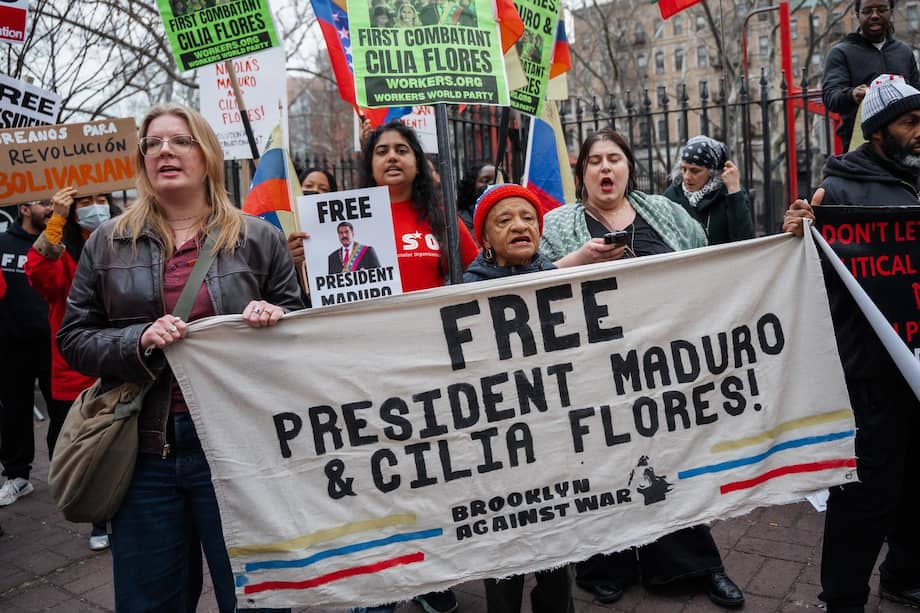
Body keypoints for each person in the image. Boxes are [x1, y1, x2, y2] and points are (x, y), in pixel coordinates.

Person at [57, 103, 303, 613]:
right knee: (151, 602)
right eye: (152, 143)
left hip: (239, 451)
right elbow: (75, 338)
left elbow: (298, 334)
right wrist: (137, 340)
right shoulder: (107, 242)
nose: (164, 150)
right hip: (144, 453)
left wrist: (270, 319)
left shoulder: (259, 239)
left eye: (179, 140)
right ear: (143, 160)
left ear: (207, 154)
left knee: (257, 599)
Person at [540, 129, 745, 609]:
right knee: (604, 466)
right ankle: (605, 566)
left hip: (662, 369)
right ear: (582, 173)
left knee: (673, 462)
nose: (605, 168)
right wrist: (579, 260)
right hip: (593, 373)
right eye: (595, 161)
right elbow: (530, 287)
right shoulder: (557, 225)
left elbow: (715, 260)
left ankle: (692, 565)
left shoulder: (668, 212)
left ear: (630, 168)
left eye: (615, 158)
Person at [783, 74, 920, 612]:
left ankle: (904, 573)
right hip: (870, 375)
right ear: (879, 130)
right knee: (865, 498)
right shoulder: (837, 191)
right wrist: (796, 230)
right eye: (911, 123)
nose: (919, 133)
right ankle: (843, 597)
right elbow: (805, 271)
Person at [350, 121, 479, 613]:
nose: (391, 158)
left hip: (430, 368)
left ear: (418, 162)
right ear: (369, 163)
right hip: (368, 371)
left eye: (402, 149)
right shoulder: (347, 219)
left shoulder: (441, 216)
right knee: (378, 479)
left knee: (430, 479)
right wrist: (303, 259)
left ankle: (431, 576)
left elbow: (473, 278)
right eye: (381, 151)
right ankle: (381, 584)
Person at [464, 183, 571, 613]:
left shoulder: (563, 282)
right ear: (485, 239)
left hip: (554, 441)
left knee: (558, 553)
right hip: (499, 446)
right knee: (504, 554)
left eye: (528, 218)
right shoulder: (466, 291)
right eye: (503, 220)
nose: (519, 226)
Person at [24, 187, 121, 550]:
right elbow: (44, 281)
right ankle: (98, 516)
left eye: (99, 200)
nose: (94, 208)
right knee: (86, 443)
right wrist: (56, 222)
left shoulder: (124, 235)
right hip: (77, 364)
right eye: (84, 202)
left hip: (123, 354)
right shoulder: (61, 245)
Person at [0, 197, 53, 507]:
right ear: (23, 209)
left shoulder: (58, 242)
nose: (50, 209)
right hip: (10, 346)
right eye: (43, 203)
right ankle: (17, 476)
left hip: (53, 346)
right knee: (14, 414)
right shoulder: (3, 243)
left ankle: (64, 473)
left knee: (61, 415)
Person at [822, 0, 920, 151]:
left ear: (891, 12)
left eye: (881, 9)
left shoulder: (904, 52)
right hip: (862, 149)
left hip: (905, 147)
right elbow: (830, 96)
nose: (874, 16)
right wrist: (851, 94)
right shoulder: (841, 53)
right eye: (867, 11)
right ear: (857, 15)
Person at [663, 135, 754, 245]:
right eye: (684, 169)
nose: (687, 176)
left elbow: (745, 240)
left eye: (695, 171)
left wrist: (734, 191)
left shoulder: (729, 193)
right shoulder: (672, 196)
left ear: (712, 172)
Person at [456, 162, 496, 236]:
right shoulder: (462, 218)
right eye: (485, 181)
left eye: (497, 180)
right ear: (471, 185)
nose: (492, 184)